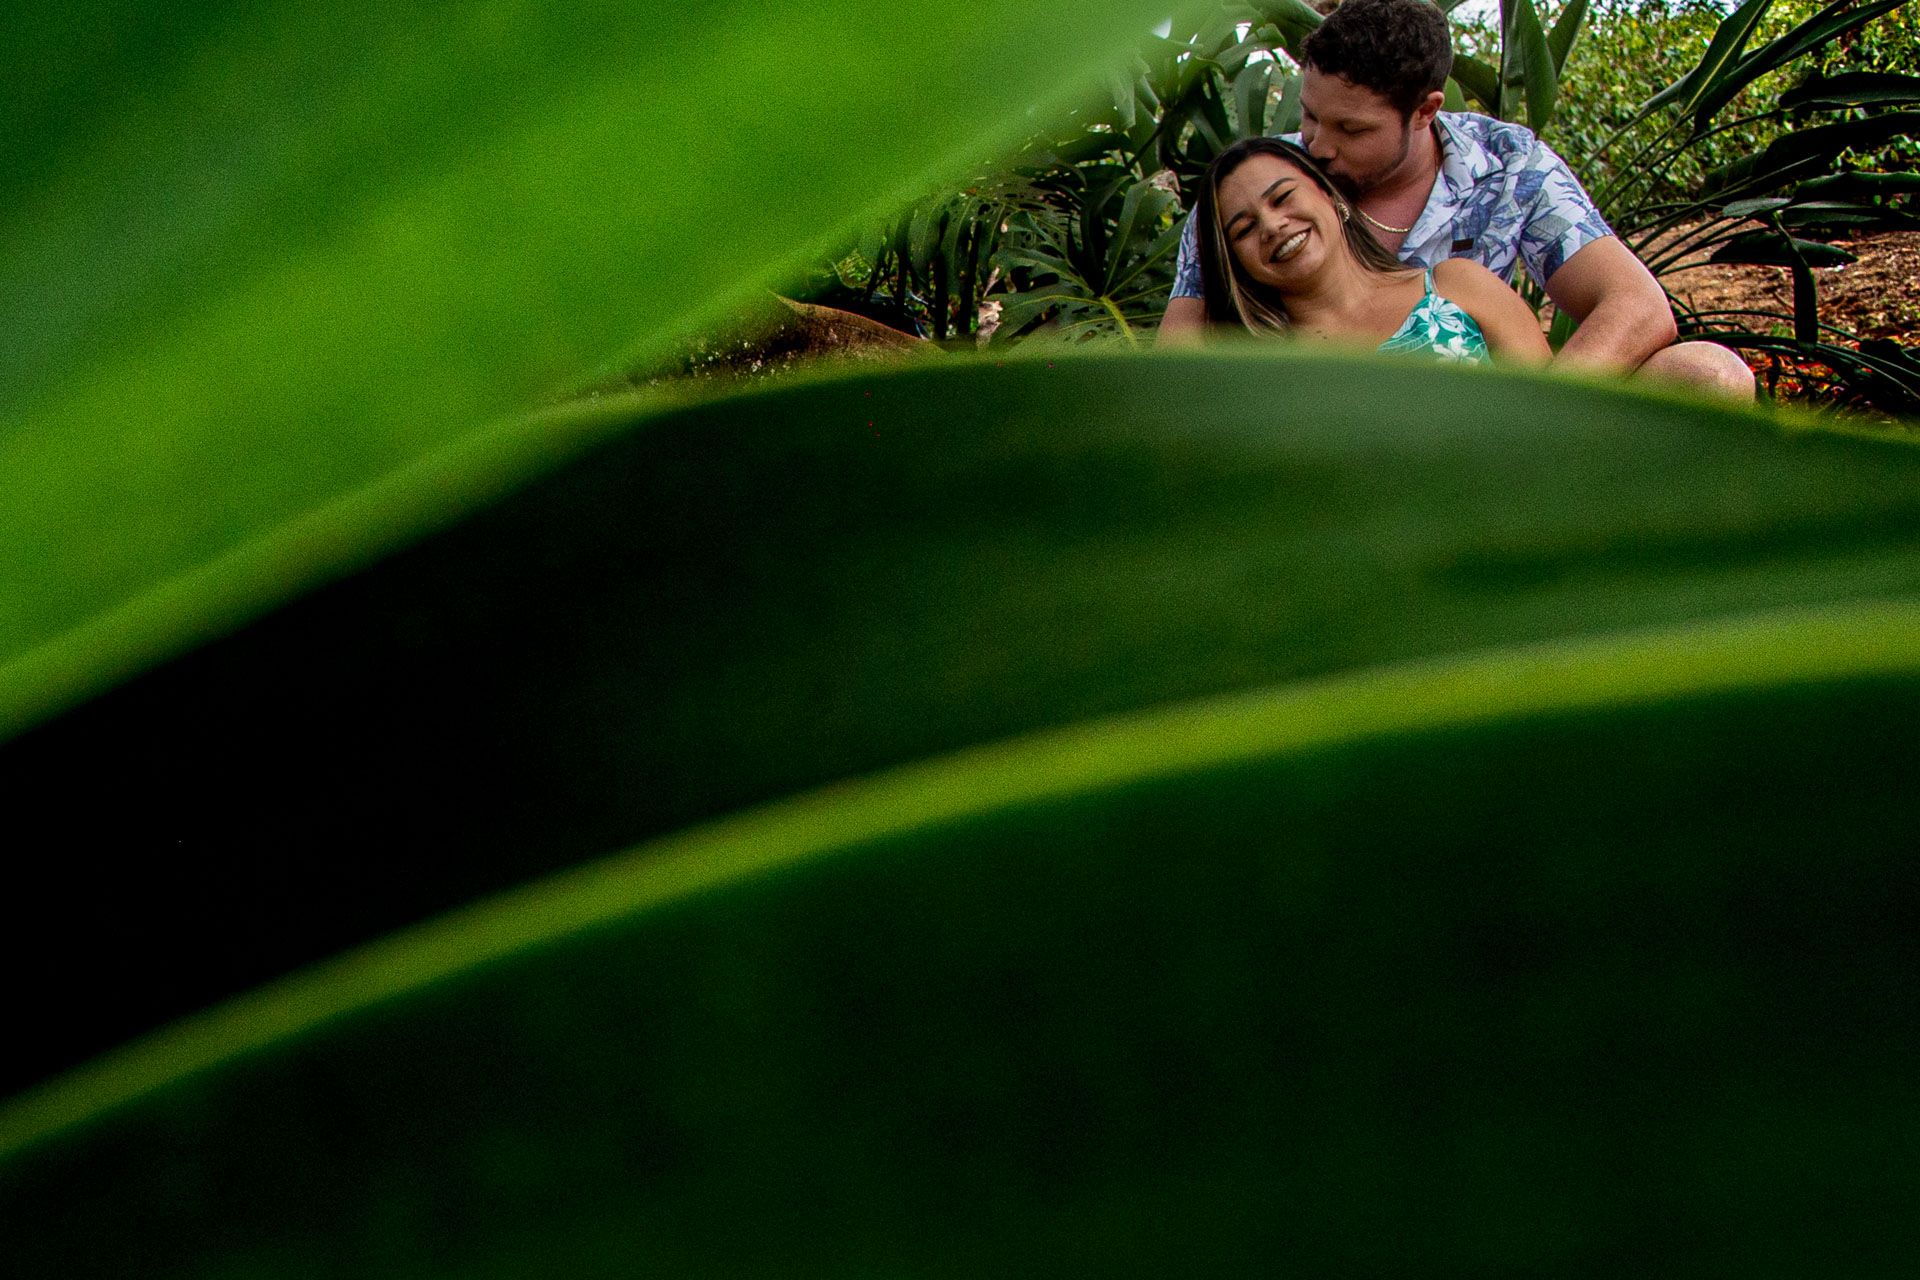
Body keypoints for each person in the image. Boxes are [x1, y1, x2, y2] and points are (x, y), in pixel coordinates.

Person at [1159, 0, 1755, 396]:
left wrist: (1514, 435)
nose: (1318, 145)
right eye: (1312, 116)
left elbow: (1637, 308)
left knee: (1709, 374)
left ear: (1425, 111)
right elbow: (1177, 369)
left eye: (1352, 130)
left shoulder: (1508, 165)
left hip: (1502, 427)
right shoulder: (1264, 183)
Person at [1198, 136, 1549, 364]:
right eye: (1244, 229)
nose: (1272, 226)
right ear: (1234, 260)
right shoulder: (1258, 367)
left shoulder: (1458, 286)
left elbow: (1554, 414)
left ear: (1330, 195)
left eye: (1282, 197)